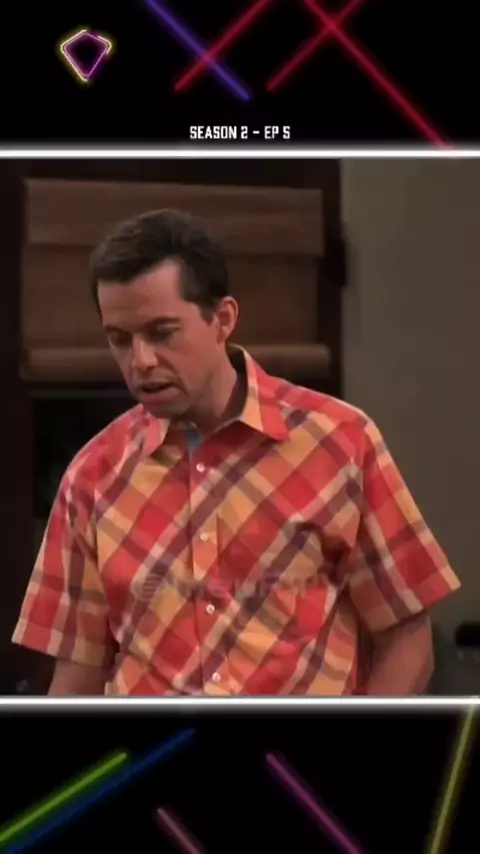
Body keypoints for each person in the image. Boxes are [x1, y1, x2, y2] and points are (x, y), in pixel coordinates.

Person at [13, 209, 460, 696]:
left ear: (222, 320)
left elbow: (407, 638)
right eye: (120, 340)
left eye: (162, 332)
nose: (140, 361)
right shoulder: (93, 476)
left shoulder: (340, 442)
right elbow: (78, 675)